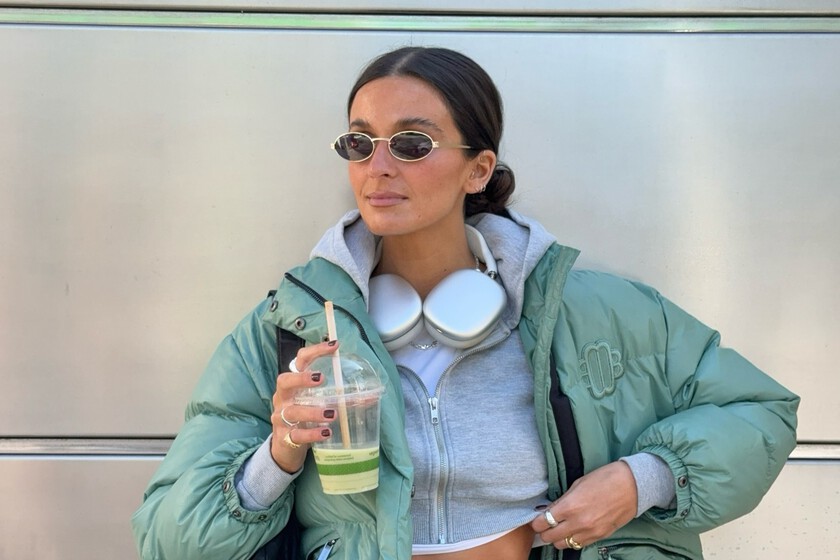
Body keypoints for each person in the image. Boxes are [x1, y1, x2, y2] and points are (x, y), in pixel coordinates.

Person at [131, 46, 799, 560]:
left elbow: (759, 411)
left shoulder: (591, 312)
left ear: (478, 169)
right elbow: (168, 540)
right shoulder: (287, 329)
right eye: (360, 143)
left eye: (412, 144)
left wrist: (641, 480)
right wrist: (279, 453)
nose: (378, 167)